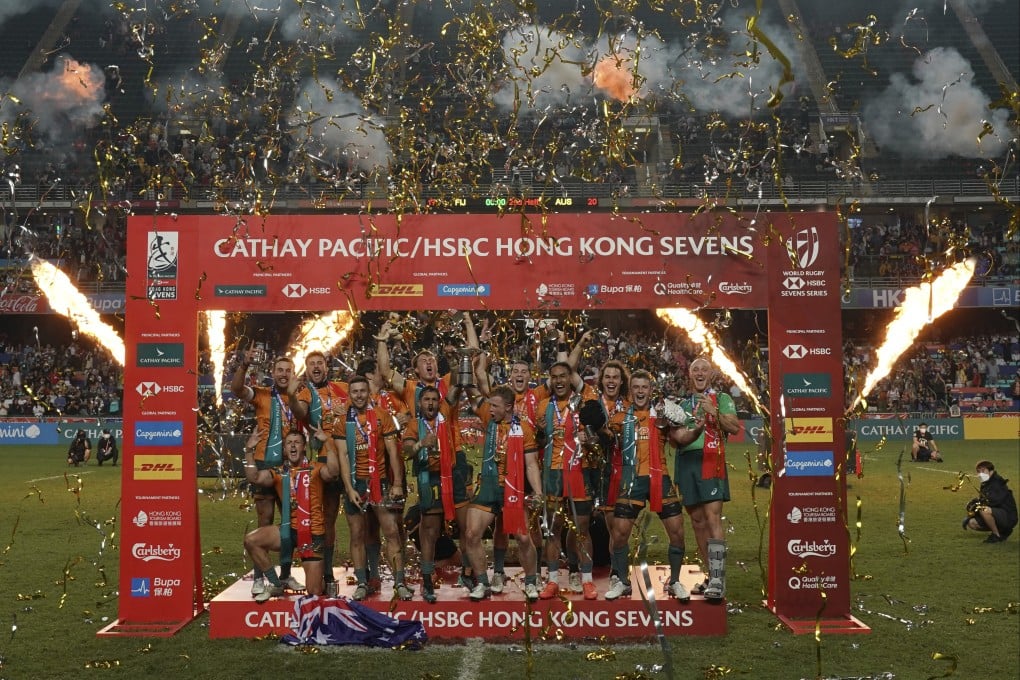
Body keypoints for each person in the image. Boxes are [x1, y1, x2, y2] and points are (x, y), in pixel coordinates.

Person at [605, 370, 691, 602]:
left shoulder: (663, 415)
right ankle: (622, 582)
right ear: (630, 390)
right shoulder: (620, 416)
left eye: (645, 387)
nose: (640, 391)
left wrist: (696, 427)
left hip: (659, 477)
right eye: (636, 387)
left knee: (677, 531)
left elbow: (680, 437)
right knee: (620, 533)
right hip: (631, 479)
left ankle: (674, 582)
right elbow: (605, 439)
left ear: (650, 390)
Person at [461, 385, 544, 601]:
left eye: (495, 406)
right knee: (471, 534)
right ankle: (483, 583)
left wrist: (537, 492)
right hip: (488, 485)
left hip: (512, 487)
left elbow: (531, 464)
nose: (490, 409)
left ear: (508, 407)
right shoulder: (489, 419)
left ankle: (531, 582)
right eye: (489, 405)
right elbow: (472, 394)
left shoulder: (523, 429)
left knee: (524, 539)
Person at [333, 375, 412, 601]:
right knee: (357, 534)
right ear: (349, 394)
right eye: (354, 392)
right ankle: (361, 582)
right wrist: (348, 489)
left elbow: (393, 453)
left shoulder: (382, 416)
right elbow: (343, 457)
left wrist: (397, 483)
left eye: (362, 391)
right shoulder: (342, 422)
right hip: (355, 483)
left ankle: (400, 582)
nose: (358, 395)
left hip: (380, 482)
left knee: (391, 532)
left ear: (369, 393)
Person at [670, 357, 740, 602]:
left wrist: (714, 412)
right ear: (689, 375)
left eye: (704, 370)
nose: (699, 373)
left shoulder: (722, 399)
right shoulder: (681, 404)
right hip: (687, 463)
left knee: (712, 519)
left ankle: (719, 579)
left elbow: (734, 428)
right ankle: (711, 575)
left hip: (711, 461)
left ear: (711, 375)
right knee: (697, 521)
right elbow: (675, 436)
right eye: (695, 370)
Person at [242, 427, 340, 602]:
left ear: (304, 447)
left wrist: (327, 443)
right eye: (289, 443)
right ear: (284, 449)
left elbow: (333, 472)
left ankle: (323, 579)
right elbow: (255, 477)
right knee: (251, 540)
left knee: (314, 592)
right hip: (288, 532)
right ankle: (276, 584)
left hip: (313, 534)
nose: (293, 446)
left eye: (297, 442)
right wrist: (249, 451)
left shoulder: (316, 468)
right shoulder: (279, 472)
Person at [537, 361, 600, 600]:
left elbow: (594, 439)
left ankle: (587, 580)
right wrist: (541, 432)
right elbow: (539, 443)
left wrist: (588, 437)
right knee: (553, 529)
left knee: (582, 528)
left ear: (570, 379)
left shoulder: (582, 403)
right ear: (550, 380)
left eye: (563, 376)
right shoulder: (544, 406)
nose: (559, 381)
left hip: (577, 470)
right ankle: (553, 580)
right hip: (552, 473)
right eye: (554, 377)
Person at [288, 350, 348, 592]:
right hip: (324, 461)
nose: (315, 367)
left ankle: (369, 576)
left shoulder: (342, 388)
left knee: (360, 523)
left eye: (319, 363)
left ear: (326, 366)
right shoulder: (305, 392)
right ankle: (327, 574)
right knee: (326, 518)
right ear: (307, 368)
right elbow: (300, 412)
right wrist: (291, 394)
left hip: (350, 459)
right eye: (311, 364)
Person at [402, 384, 464, 603]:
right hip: (430, 479)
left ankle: (470, 575)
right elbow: (407, 451)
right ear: (419, 403)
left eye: (433, 399)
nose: (430, 403)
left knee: (466, 526)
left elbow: (456, 389)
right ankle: (427, 579)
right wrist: (421, 444)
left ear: (439, 402)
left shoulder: (445, 414)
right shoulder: (413, 425)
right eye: (426, 400)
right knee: (430, 530)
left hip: (453, 475)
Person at [230, 350, 298, 526]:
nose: (284, 374)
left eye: (288, 370)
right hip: (264, 461)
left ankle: (287, 554)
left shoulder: (302, 397)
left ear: (294, 373)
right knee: (265, 518)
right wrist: (244, 365)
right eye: (280, 370)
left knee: (292, 519)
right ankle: (262, 553)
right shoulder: (262, 394)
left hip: (291, 463)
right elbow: (237, 389)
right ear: (273, 373)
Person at [963, 461, 1017, 543]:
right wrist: (973, 510)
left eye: (983, 470)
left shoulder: (998, 482)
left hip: (1008, 516)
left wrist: (977, 505)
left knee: (983, 509)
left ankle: (996, 535)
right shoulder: (986, 483)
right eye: (978, 471)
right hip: (998, 513)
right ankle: (1002, 531)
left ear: (990, 470)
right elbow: (985, 499)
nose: (980, 473)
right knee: (972, 523)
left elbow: (994, 501)